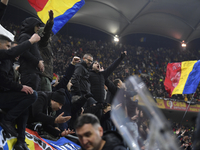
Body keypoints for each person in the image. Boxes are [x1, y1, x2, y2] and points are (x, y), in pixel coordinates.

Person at [0, 33, 40, 150]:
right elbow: (2, 80)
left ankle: (21, 141)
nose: (18, 53)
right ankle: (7, 120)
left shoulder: (8, 63)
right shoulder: (5, 60)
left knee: (25, 103)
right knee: (32, 95)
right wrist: (31, 41)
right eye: (8, 46)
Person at [18, 17, 44, 90]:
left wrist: (40, 61)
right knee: (31, 98)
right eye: (37, 25)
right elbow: (23, 51)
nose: (39, 28)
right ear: (31, 26)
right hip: (29, 74)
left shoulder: (32, 37)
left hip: (34, 74)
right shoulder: (25, 36)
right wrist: (37, 62)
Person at [38, 10, 54, 91]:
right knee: (45, 100)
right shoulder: (43, 43)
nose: (50, 37)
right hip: (43, 76)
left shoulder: (47, 46)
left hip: (47, 76)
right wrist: (50, 22)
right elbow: (46, 34)